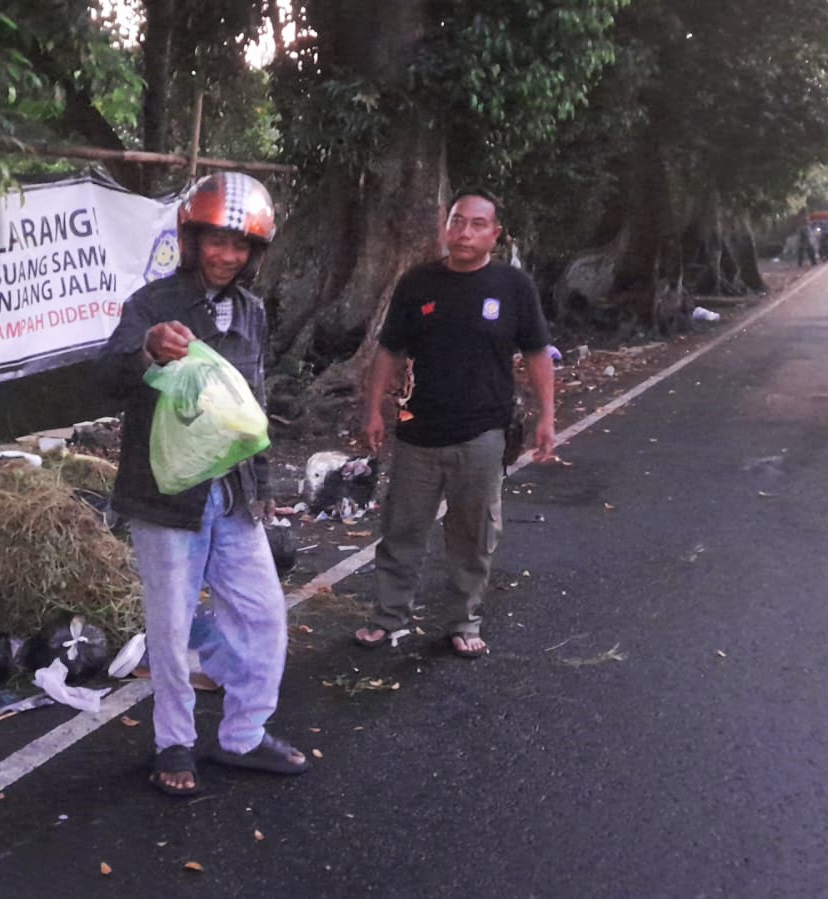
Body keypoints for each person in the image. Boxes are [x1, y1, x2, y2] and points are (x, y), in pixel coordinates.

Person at [99, 172, 309, 797]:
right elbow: (106, 379)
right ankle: (174, 742)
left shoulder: (252, 311)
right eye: (217, 241)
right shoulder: (152, 304)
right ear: (192, 241)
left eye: (241, 245)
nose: (227, 256)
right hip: (165, 495)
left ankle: (243, 734)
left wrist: (263, 483)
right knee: (170, 625)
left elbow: (255, 398)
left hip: (234, 494)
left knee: (263, 615)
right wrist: (147, 351)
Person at [353, 188, 555, 658]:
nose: (465, 233)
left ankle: (464, 621)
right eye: (457, 222)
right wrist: (372, 409)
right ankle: (389, 618)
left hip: (483, 434)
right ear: (446, 227)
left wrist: (548, 415)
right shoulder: (417, 283)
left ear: (495, 235)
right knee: (402, 530)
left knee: (473, 535)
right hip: (417, 431)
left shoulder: (513, 287)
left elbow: (537, 354)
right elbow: (389, 350)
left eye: (477, 224)